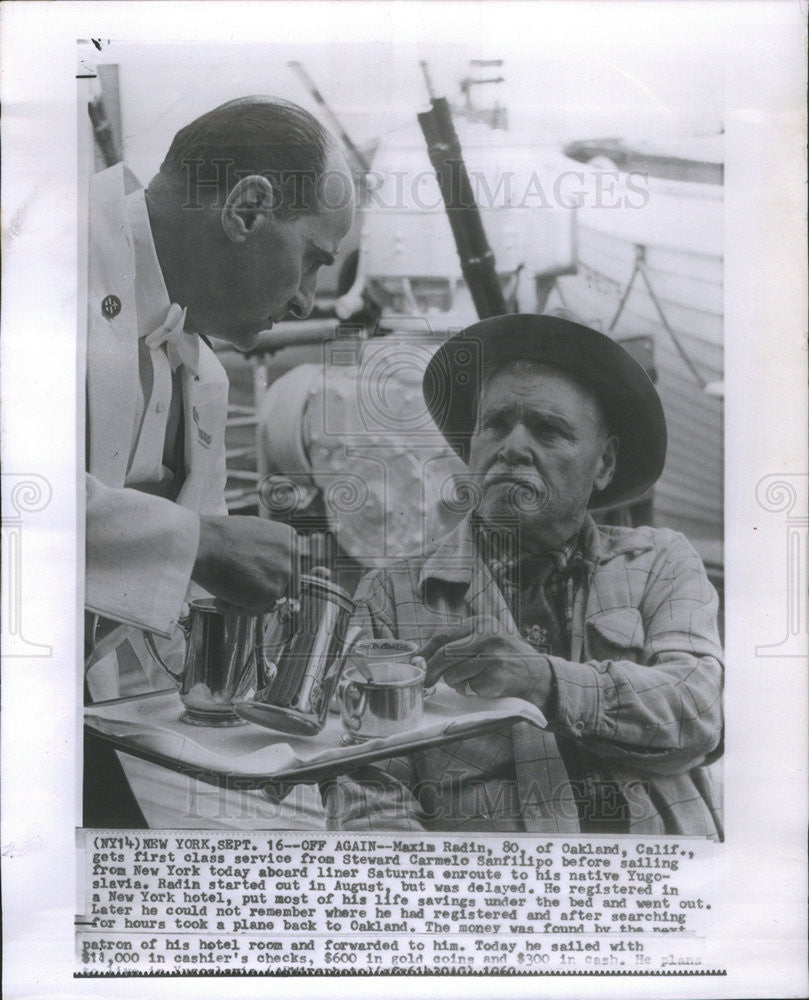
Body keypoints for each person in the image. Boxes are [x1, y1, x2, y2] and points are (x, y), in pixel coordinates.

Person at [324, 314, 723, 836]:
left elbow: (700, 712)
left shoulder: (660, 562)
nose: (511, 446)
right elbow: (369, 801)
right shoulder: (391, 598)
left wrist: (544, 682)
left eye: (548, 429)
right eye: (494, 424)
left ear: (603, 463)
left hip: (668, 893)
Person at [84, 97, 354, 824]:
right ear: (246, 209)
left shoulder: (201, 373)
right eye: (311, 263)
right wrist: (203, 543)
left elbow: (186, 592)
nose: (305, 302)